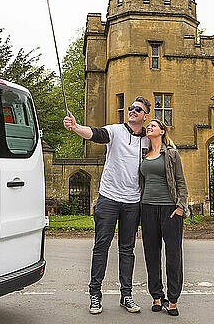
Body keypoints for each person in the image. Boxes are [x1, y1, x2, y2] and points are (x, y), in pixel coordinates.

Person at [63, 96, 151, 314]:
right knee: (101, 246)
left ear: (145, 116)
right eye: (130, 108)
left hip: (133, 202)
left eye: (137, 109)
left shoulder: (148, 140)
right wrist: (75, 127)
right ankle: (95, 295)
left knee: (127, 250)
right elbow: (94, 133)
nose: (132, 111)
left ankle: (126, 295)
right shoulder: (115, 131)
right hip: (109, 198)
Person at [139, 118, 189, 317]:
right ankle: (157, 297)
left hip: (170, 209)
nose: (149, 127)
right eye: (148, 126)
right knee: (151, 254)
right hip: (148, 209)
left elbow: (181, 182)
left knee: (173, 255)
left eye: (153, 125)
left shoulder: (171, 154)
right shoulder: (144, 154)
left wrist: (180, 207)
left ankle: (173, 299)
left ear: (162, 131)